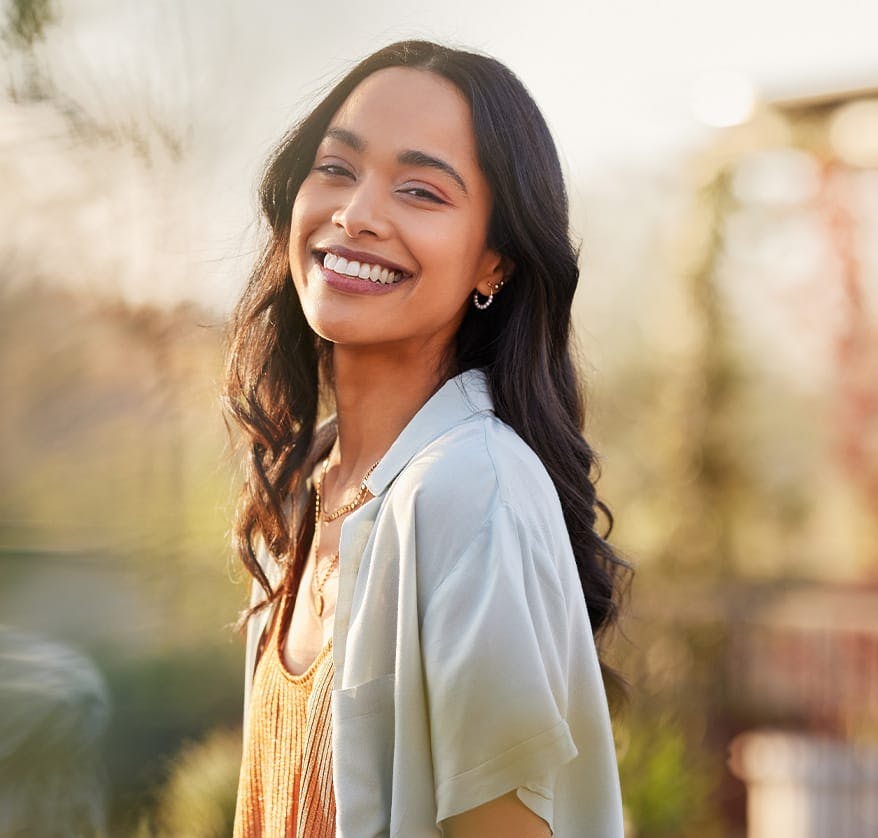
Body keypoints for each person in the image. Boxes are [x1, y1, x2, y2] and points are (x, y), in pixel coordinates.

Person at [225, 40, 629, 838]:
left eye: (420, 190)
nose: (357, 214)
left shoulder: (470, 491)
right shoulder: (308, 484)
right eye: (336, 169)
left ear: (495, 263)